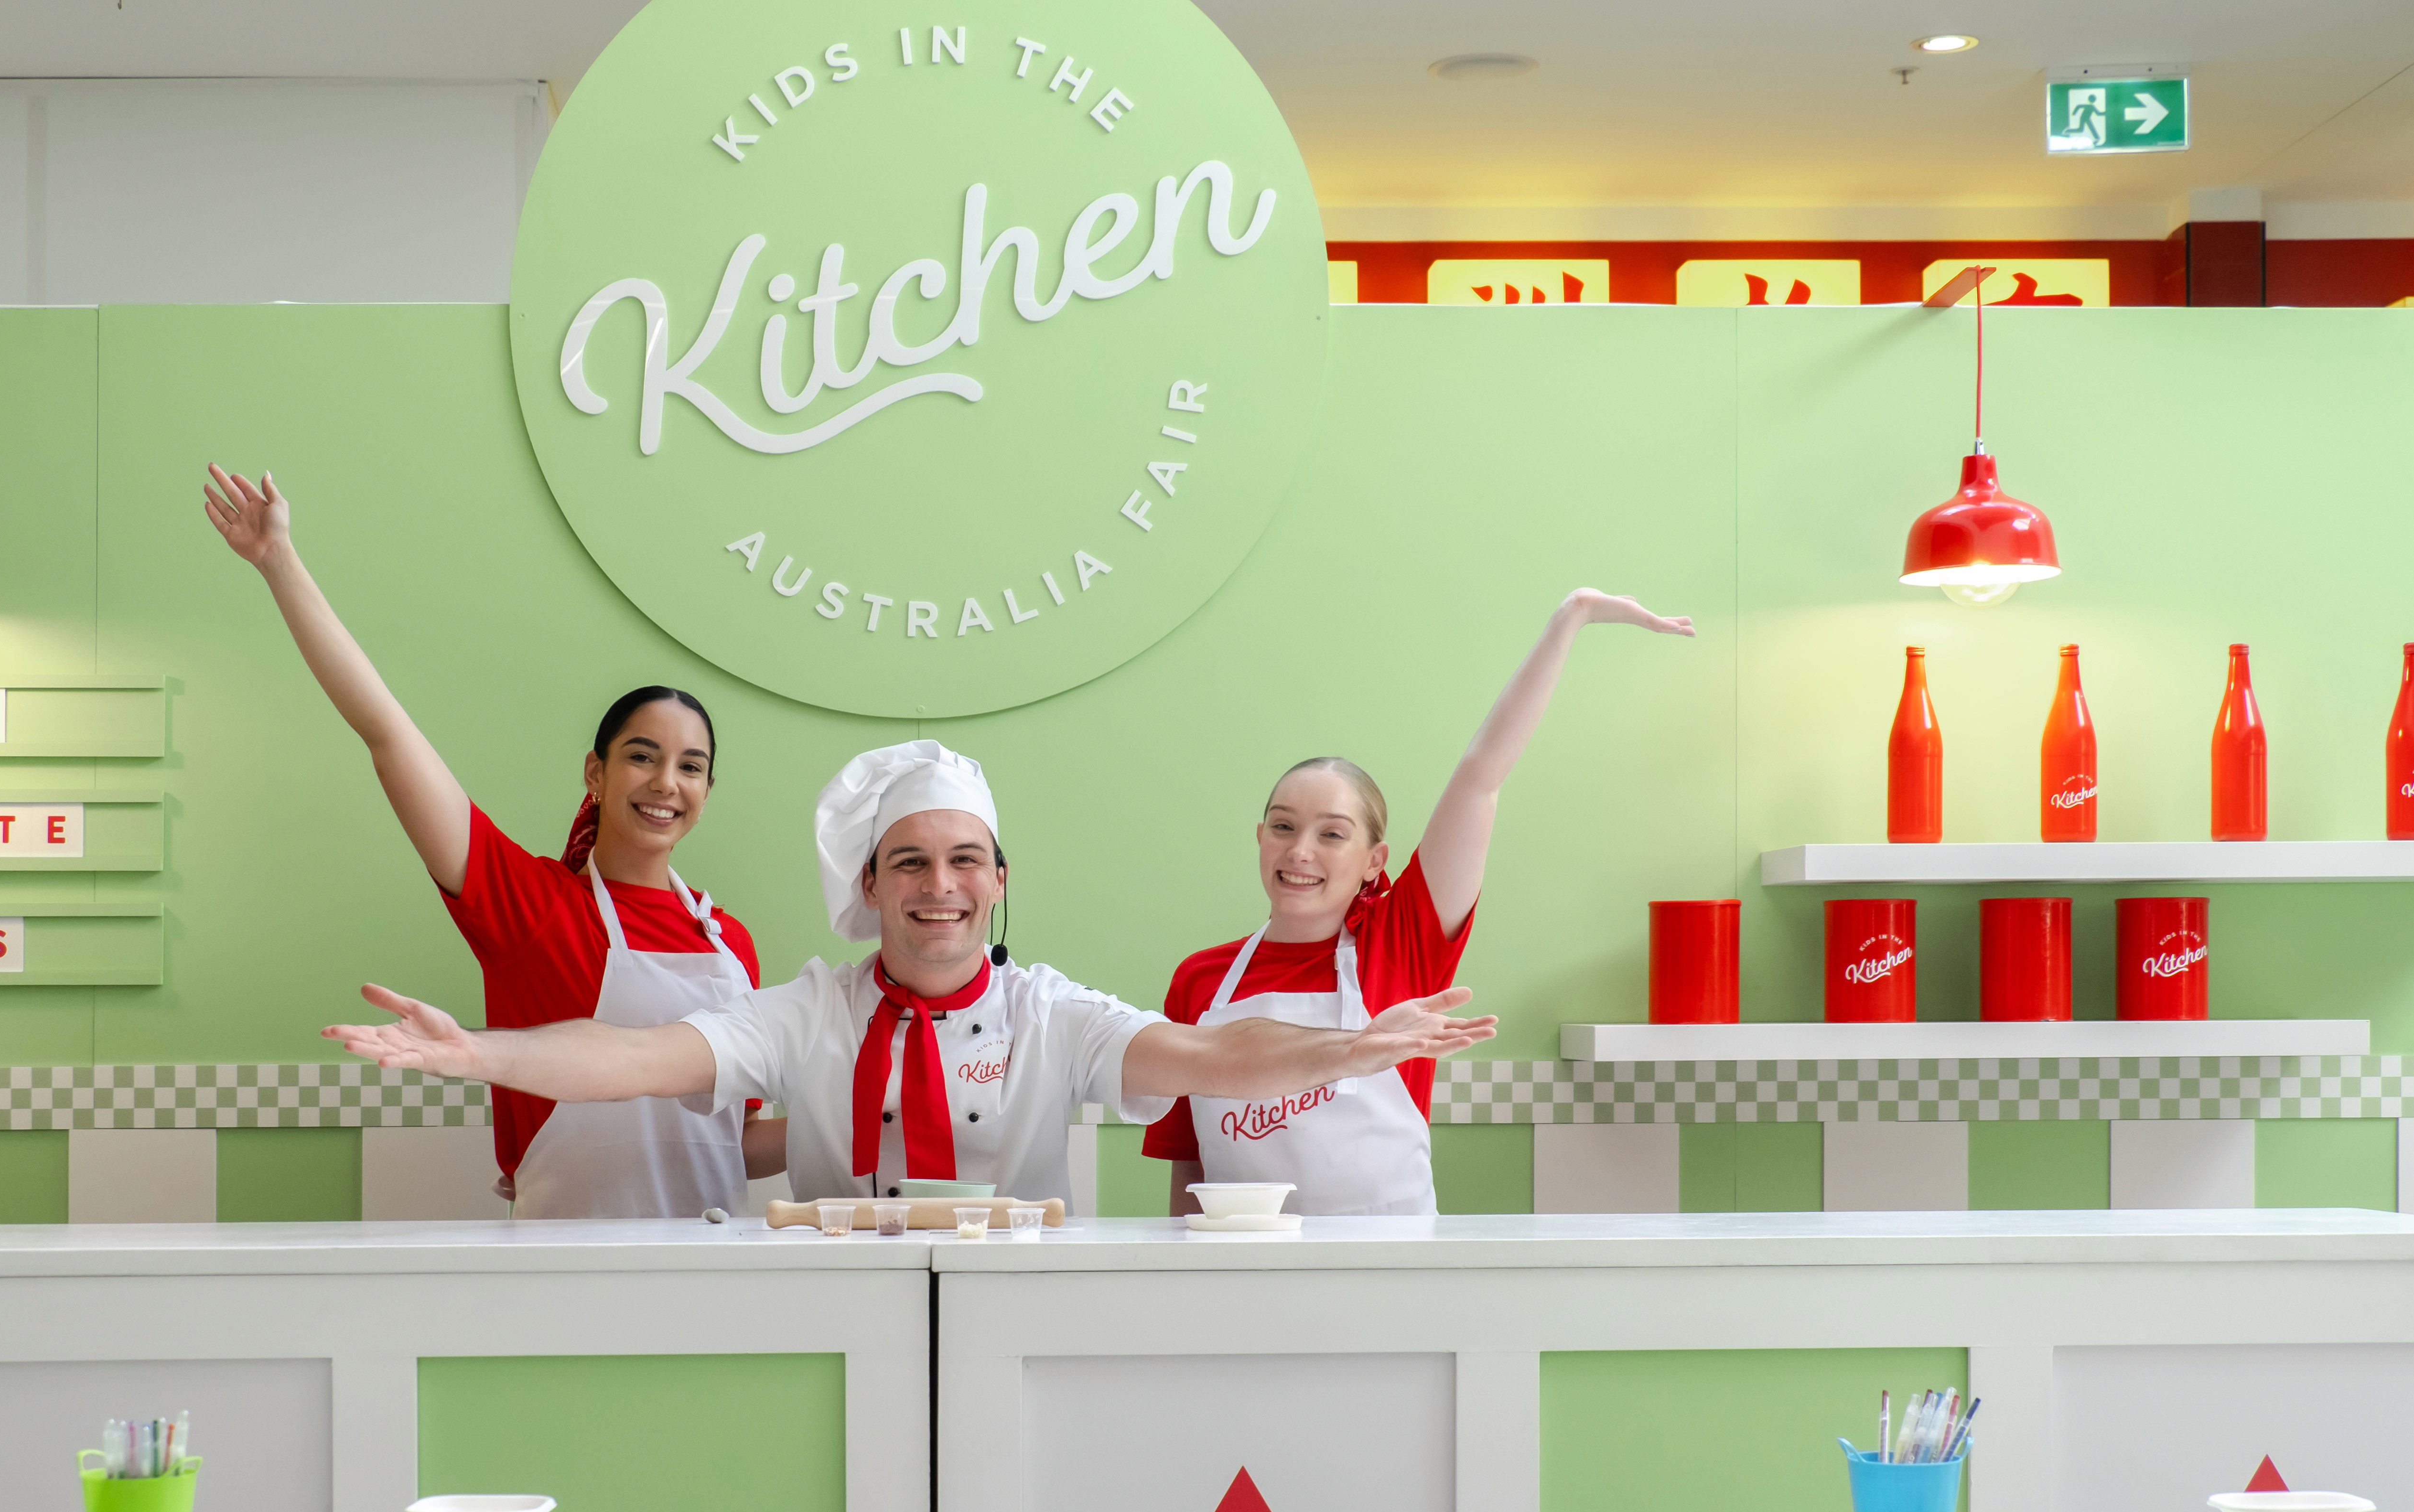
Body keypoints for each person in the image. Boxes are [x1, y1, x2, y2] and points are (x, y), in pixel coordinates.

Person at [317, 741, 1500, 1206]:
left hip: (1022, 1330)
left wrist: (1352, 1050)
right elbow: (633, 1057)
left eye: (966, 860)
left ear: (999, 882)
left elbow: (1210, 1055)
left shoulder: (1053, 1014)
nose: (942, 886)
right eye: (912, 863)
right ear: (872, 888)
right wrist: (481, 1054)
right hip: (842, 1331)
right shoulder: (808, 1012)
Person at [203, 464, 780, 1217]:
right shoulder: (531, 908)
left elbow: (735, 1143)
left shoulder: (731, 944)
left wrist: (878, 1115)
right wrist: (279, 562)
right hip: (565, 1264)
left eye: (691, 767)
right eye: (642, 757)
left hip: (714, 1265)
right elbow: (387, 734)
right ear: (596, 774)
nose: (667, 782)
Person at [1148, 590, 1695, 1216]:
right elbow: (1190, 1165)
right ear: (1260, 836)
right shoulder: (1199, 981)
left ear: (1373, 861)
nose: (1300, 851)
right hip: (1246, 1268)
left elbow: (1482, 777)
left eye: (1332, 834)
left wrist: (1572, 617)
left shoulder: (1403, 939)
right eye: (1283, 826)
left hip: (1393, 1263)